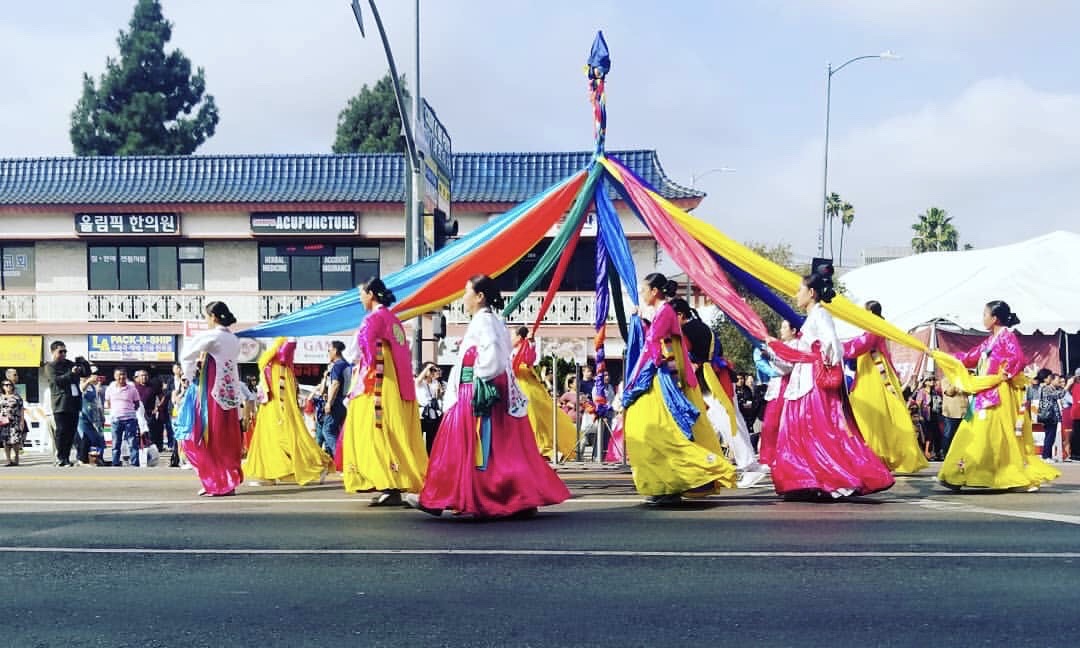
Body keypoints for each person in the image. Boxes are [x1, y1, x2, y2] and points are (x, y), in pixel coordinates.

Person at [410, 274, 570, 518]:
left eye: (466, 291)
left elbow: (494, 357)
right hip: (482, 391)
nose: (463, 297)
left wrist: (476, 378)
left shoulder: (485, 322)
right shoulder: (492, 320)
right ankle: (509, 498)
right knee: (494, 450)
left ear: (480, 296)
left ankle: (440, 498)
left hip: (474, 393)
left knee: (463, 447)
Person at [764, 264, 894, 499]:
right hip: (801, 384)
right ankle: (804, 480)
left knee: (817, 434)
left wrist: (821, 356)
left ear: (811, 292)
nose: (796, 295)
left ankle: (831, 479)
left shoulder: (821, 314)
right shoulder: (813, 317)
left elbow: (832, 344)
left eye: (799, 290)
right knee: (797, 434)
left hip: (812, 386)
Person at [620, 273, 737, 506]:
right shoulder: (661, 313)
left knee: (659, 433)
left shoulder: (665, 313)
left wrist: (646, 367)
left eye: (644, 290)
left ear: (654, 291)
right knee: (654, 433)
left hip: (663, 380)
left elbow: (654, 343)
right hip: (662, 377)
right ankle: (665, 484)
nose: (642, 295)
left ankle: (696, 472)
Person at [938, 301, 1060, 491]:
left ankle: (969, 475)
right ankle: (959, 473)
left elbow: (1018, 358)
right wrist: (945, 358)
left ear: (994, 318)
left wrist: (1004, 374)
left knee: (990, 435)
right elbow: (972, 356)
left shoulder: (1006, 336)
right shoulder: (991, 340)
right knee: (976, 433)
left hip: (997, 394)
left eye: (985, 314)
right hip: (985, 393)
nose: (983, 318)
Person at [341, 278, 428, 506]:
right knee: (392, 432)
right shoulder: (393, 320)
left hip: (377, 383)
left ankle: (388, 482)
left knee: (371, 429)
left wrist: (360, 384)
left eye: (361, 293)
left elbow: (363, 353)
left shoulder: (372, 319)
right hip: (397, 385)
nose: (360, 298)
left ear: (371, 294)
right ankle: (395, 483)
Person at [670, 298, 761, 484]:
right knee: (731, 420)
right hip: (720, 376)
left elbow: (685, 358)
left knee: (725, 422)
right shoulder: (702, 326)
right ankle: (746, 462)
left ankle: (747, 464)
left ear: (679, 315)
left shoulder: (687, 331)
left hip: (709, 380)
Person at [842, 300, 928, 474]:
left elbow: (859, 346)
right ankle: (879, 454)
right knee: (875, 414)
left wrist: (835, 346)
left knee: (875, 414)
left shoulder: (874, 327)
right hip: (870, 370)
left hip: (875, 372)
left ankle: (881, 454)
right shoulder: (874, 327)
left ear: (871, 312)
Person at [244, 337, 331, 486]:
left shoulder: (286, 343)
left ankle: (317, 466)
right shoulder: (277, 352)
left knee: (285, 435)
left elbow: (279, 356)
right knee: (267, 434)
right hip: (269, 398)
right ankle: (268, 474)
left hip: (278, 397)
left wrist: (282, 339)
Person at [180, 301, 245, 496]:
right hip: (230, 394)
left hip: (211, 392)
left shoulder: (211, 336)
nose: (206, 321)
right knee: (225, 439)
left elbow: (186, 356)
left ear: (214, 317)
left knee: (206, 437)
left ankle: (216, 482)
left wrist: (192, 378)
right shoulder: (233, 338)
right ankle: (225, 481)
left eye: (206, 317)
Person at [511, 326, 577, 462]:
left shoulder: (523, 351)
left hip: (526, 390)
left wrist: (531, 343)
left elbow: (529, 358)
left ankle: (546, 450)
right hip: (515, 389)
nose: (509, 338)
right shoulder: (510, 351)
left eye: (512, 335)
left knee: (534, 421)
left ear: (518, 337)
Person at [756, 319, 798, 467]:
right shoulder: (784, 345)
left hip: (785, 386)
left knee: (775, 424)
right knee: (770, 425)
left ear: (793, 331)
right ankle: (769, 457)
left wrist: (771, 357)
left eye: (784, 327)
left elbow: (787, 367)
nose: (781, 330)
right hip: (777, 385)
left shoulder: (796, 345)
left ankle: (775, 457)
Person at [44, 341, 82, 466]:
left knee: (71, 432)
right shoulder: (50, 366)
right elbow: (57, 381)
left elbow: (85, 373)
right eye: (60, 351)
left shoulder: (69, 364)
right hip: (60, 403)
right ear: (53, 352)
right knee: (61, 431)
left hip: (74, 402)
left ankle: (66, 457)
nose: (63, 354)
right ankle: (60, 457)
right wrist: (71, 373)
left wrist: (83, 363)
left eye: (65, 351)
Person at [317, 341, 349, 461]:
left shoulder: (337, 365)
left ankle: (342, 461)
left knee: (327, 430)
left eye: (329, 350)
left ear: (335, 351)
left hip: (337, 403)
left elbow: (335, 384)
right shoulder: (347, 365)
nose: (328, 353)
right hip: (346, 402)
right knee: (339, 432)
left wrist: (329, 402)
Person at [105, 368, 142, 466]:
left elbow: (137, 403)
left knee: (132, 442)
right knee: (116, 443)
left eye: (123, 374)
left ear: (126, 376)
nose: (121, 377)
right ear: (115, 376)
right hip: (116, 420)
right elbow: (108, 403)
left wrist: (128, 411)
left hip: (130, 419)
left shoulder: (132, 389)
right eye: (119, 375)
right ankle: (115, 463)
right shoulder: (110, 388)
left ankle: (134, 463)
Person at [76, 372, 107, 466]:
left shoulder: (93, 387)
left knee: (98, 438)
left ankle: (97, 458)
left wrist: (101, 414)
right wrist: (88, 381)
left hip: (95, 416)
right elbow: (82, 389)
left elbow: (98, 402)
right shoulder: (80, 385)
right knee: (85, 437)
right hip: (83, 416)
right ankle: (82, 459)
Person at [415, 361, 445, 455]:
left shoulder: (435, 383)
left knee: (431, 440)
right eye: (431, 370)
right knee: (418, 439)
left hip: (432, 414)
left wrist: (440, 393)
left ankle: (429, 459)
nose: (433, 372)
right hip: (421, 414)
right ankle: (419, 458)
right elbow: (417, 381)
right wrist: (427, 367)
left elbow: (437, 398)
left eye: (434, 370)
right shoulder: (420, 382)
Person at [940, 375, 969, 458]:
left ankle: (960, 455)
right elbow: (949, 392)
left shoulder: (963, 379)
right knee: (949, 434)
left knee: (962, 436)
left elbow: (969, 392)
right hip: (951, 413)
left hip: (964, 413)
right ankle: (945, 454)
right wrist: (956, 381)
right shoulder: (946, 380)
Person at [0, 379, 25, 466]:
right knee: (5, 441)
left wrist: (22, 421)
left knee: (15, 441)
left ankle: (16, 458)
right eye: (5, 385)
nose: (8, 386)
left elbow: (21, 409)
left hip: (15, 421)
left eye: (10, 384)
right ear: (2, 387)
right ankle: (8, 460)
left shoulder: (17, 397)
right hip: (3, 421)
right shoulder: (1, 397)